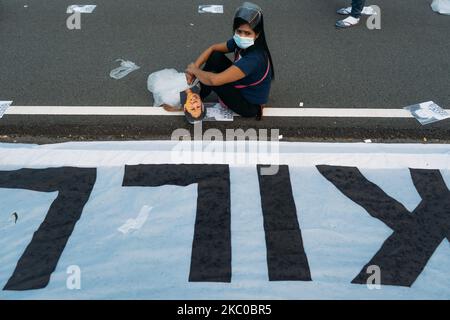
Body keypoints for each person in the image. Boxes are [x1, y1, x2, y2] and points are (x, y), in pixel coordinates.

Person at [184, 2, 275, 120]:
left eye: (247, 33)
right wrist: (195, 67)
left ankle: (194, 96)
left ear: (257, 34)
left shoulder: (254, 58)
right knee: (215, 56)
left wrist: (195, 70)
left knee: (215, 81)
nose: (242, 36)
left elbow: (214, 80)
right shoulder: (240, 42)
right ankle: (197, 92)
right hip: (242, 84)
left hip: (249, 105)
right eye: (239, 31)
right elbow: (213, 48)